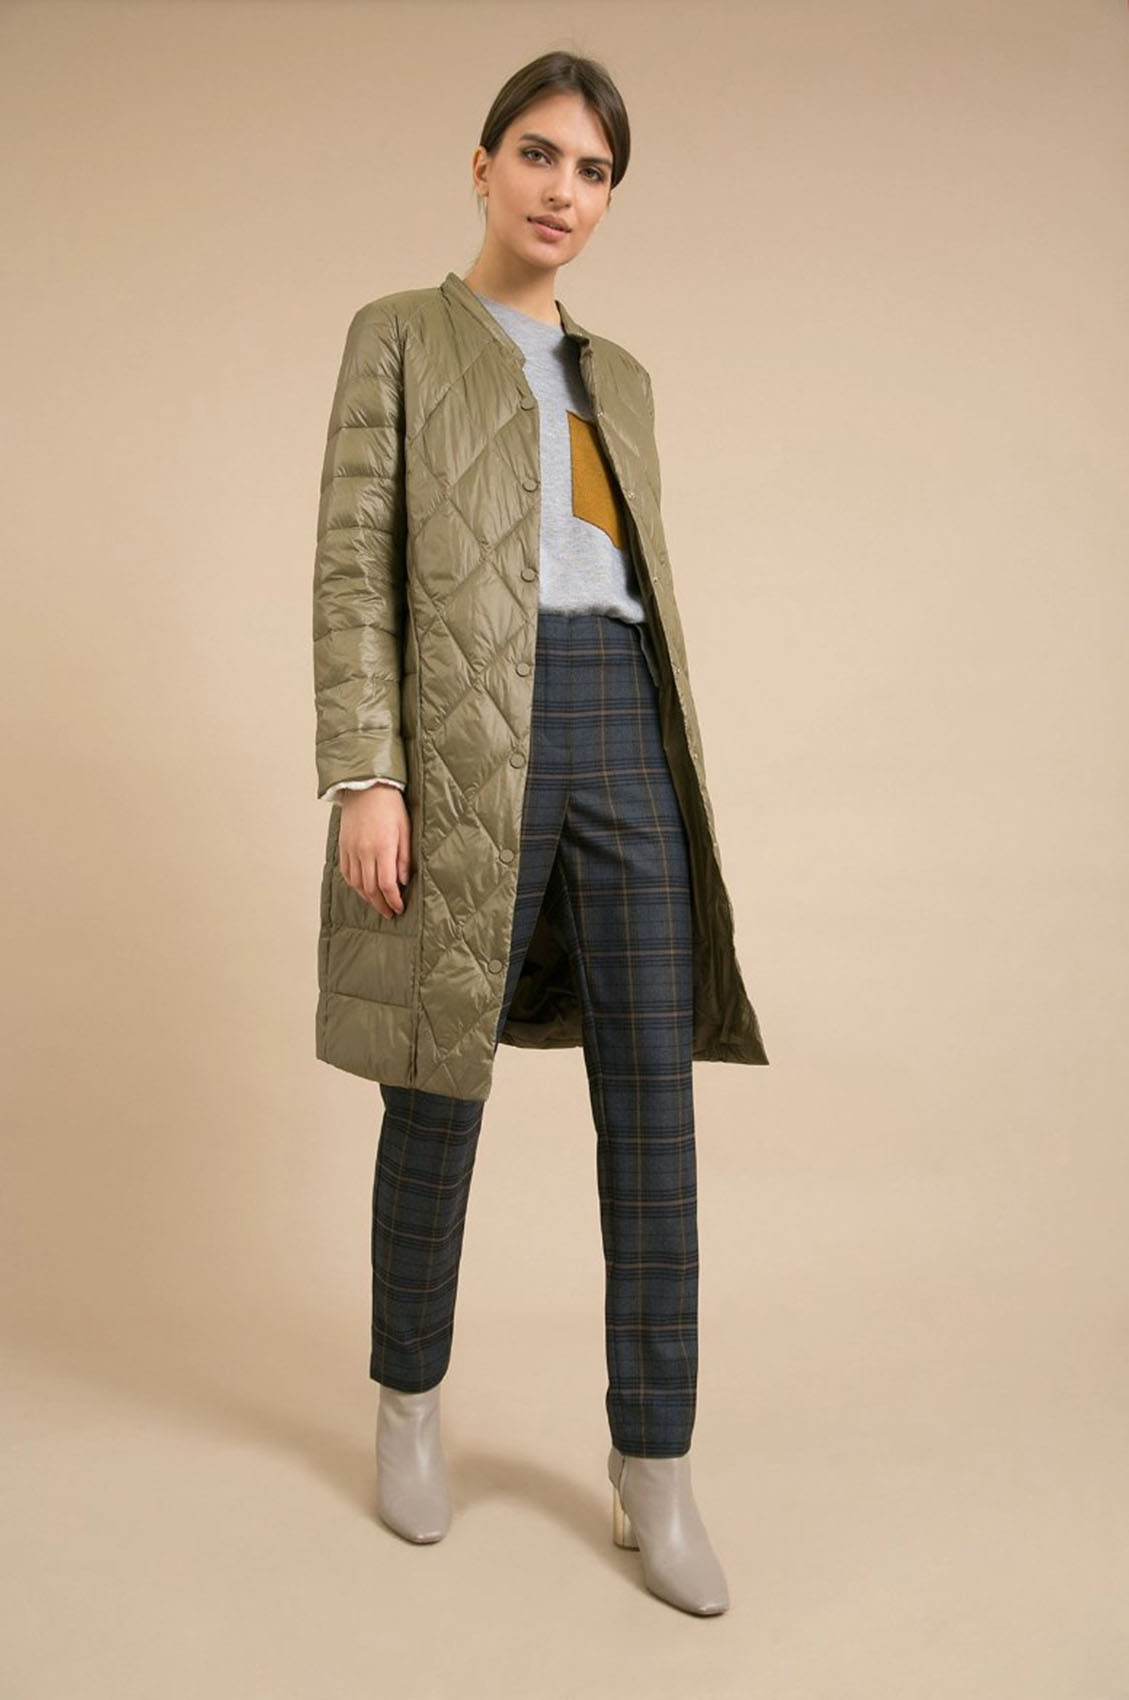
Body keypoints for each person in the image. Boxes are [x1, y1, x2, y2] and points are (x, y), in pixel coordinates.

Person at [311, 49, 769, 1615]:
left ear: (607, 196)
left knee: (653, 1110)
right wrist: (366, 771)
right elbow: (353, 563)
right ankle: (408, 1403)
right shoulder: (397, 335)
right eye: (536, 153)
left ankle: (655, 1462)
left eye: (591, 169)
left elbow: (632, 578)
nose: (561, 189)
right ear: (482, 164)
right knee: (435, 1088)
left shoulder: (616, 376)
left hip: (623, 726)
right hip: (463, 741)